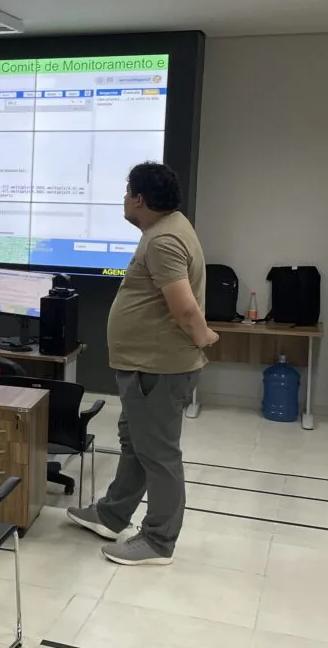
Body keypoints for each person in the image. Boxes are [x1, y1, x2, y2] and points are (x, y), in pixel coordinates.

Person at [67, 162, 217, 566]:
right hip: (147, 365)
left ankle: (158, 541)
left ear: (139, 199)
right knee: (136, 443)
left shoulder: (163, 240)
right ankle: (112, 515)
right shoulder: (167, 229)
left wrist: (203, 336)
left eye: (126, 192)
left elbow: (184, 308)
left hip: (159, 368)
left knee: (158, 454)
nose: (123, 199)